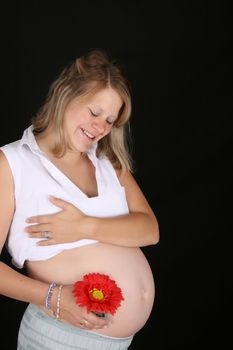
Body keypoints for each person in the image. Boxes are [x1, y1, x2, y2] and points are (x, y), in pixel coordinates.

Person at [0, 49, 159, 350]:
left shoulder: (107, 162)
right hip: (58, 337)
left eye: (110, 121)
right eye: (94, 112)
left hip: (119, 342)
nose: (100, 128)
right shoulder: (12, 163)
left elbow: (150, 230)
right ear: (64, 94)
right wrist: (53, 297)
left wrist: (84, 226)